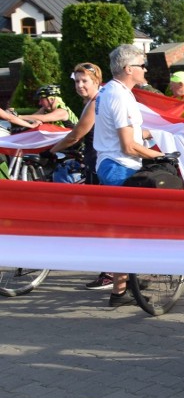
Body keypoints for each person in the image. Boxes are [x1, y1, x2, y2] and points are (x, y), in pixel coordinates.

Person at [94, 44, 169, 307]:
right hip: (120, 164)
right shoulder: (121, 97)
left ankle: (124, 285)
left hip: (113, 163)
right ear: (129, 69)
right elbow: (128, 145)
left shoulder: (110, 91)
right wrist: (160, 157)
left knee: (129, 228)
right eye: (142, 65)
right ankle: (123, 285)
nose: (145, 69)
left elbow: (129, 135)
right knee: (131, 229)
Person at [48, 63, 114, 290]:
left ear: (96, 81)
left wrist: (51, 150)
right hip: (95, 165)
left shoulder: (96, 102)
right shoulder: (93, 102)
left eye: (84, 81)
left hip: (100, 168)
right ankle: (113, 271)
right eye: (76, 81)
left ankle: (111, 273)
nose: (79, 85)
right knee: (101, 220)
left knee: (104, 221)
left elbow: (76, 135)